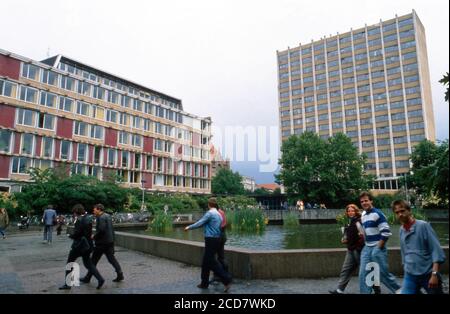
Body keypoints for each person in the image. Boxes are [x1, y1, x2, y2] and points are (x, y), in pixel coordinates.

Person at [392, 200, 445, 294]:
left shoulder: (423, 226)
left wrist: (434, 274)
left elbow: (436, 250)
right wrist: (405, 267)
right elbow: (404, 252)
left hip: (428, 273)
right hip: (410, 275)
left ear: (409, 211)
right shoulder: (401, 230)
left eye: (402, 211)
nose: (400, 214)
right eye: (397, 212)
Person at [185, 198, 232, 292]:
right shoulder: (219, 214)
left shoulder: (210, 213)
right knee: (205, 262)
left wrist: (189, 227)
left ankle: (226, 279)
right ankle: (204, 283)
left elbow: (200, 223)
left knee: (211, 261)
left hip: (211, 239)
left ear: (209, 205)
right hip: (217, 238)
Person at [358, 191, 401, 294]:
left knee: (382, 273)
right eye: (362, 201)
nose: (364, 203)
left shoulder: (378, 214)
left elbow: (386, 233)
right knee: (363, 274)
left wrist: (378, 248)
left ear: (371, 201)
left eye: (366, 200)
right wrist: (362, 234)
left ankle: (400, 290)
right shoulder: (363, 215)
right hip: (367, 247)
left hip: (377, 247)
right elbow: (367, 232)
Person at [59, 204, 104, 290]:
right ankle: (100, 279)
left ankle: (68, 284)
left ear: (76, 212)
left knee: (70, 263)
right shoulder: (88, 218)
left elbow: (78, 234)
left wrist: (70, 235)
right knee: (89, 264)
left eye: (74, 212)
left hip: (79, 246)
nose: (73, 214)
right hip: (88, 245)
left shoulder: (79, 220)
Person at [80, 204, 124, 283]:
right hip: (109, 241)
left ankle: (87, 278)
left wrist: (94, 236)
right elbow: (111, 230)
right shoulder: (108, 216)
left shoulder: (101, 218)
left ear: (99, 209)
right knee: (112, 259)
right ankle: (120, 274)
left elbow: (101, 230)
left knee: (93, 261)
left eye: (94, 209)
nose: (93, 211)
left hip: (102, 243)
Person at [211, 207, 228, 283]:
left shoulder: (215, 213)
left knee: (214, 257)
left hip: (217, 237)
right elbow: (224, 225)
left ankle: (217, 276)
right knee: (221, 257)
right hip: (222, 236)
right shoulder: (222, 212)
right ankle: (225, 274)